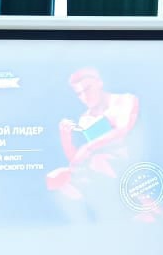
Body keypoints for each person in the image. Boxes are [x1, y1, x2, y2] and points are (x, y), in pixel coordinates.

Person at [48, 68, 139, 200]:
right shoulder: (85, 119)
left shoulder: (124, 100)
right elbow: (77, 161)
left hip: (133, 171)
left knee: (98, 161)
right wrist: (65, 137)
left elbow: (122, 130)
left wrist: (88, 148)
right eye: (79, 93)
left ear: (99, 83)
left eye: (87, 89)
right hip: (104, 178)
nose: (85, 97)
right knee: (55, 180)